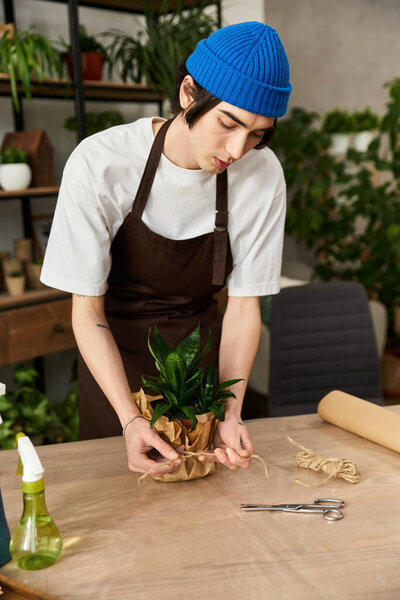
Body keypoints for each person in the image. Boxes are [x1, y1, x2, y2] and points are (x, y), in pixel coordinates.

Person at [41, 21, 292, 478]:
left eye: (258, 134)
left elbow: (242, 308)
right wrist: (130, 417)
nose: (239, 150)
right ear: (188, 94)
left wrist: (229, 412)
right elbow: (87, 311)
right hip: (115, 374)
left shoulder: (263, 174)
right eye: (229, 123)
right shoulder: (101, 163)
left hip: (200, 383)